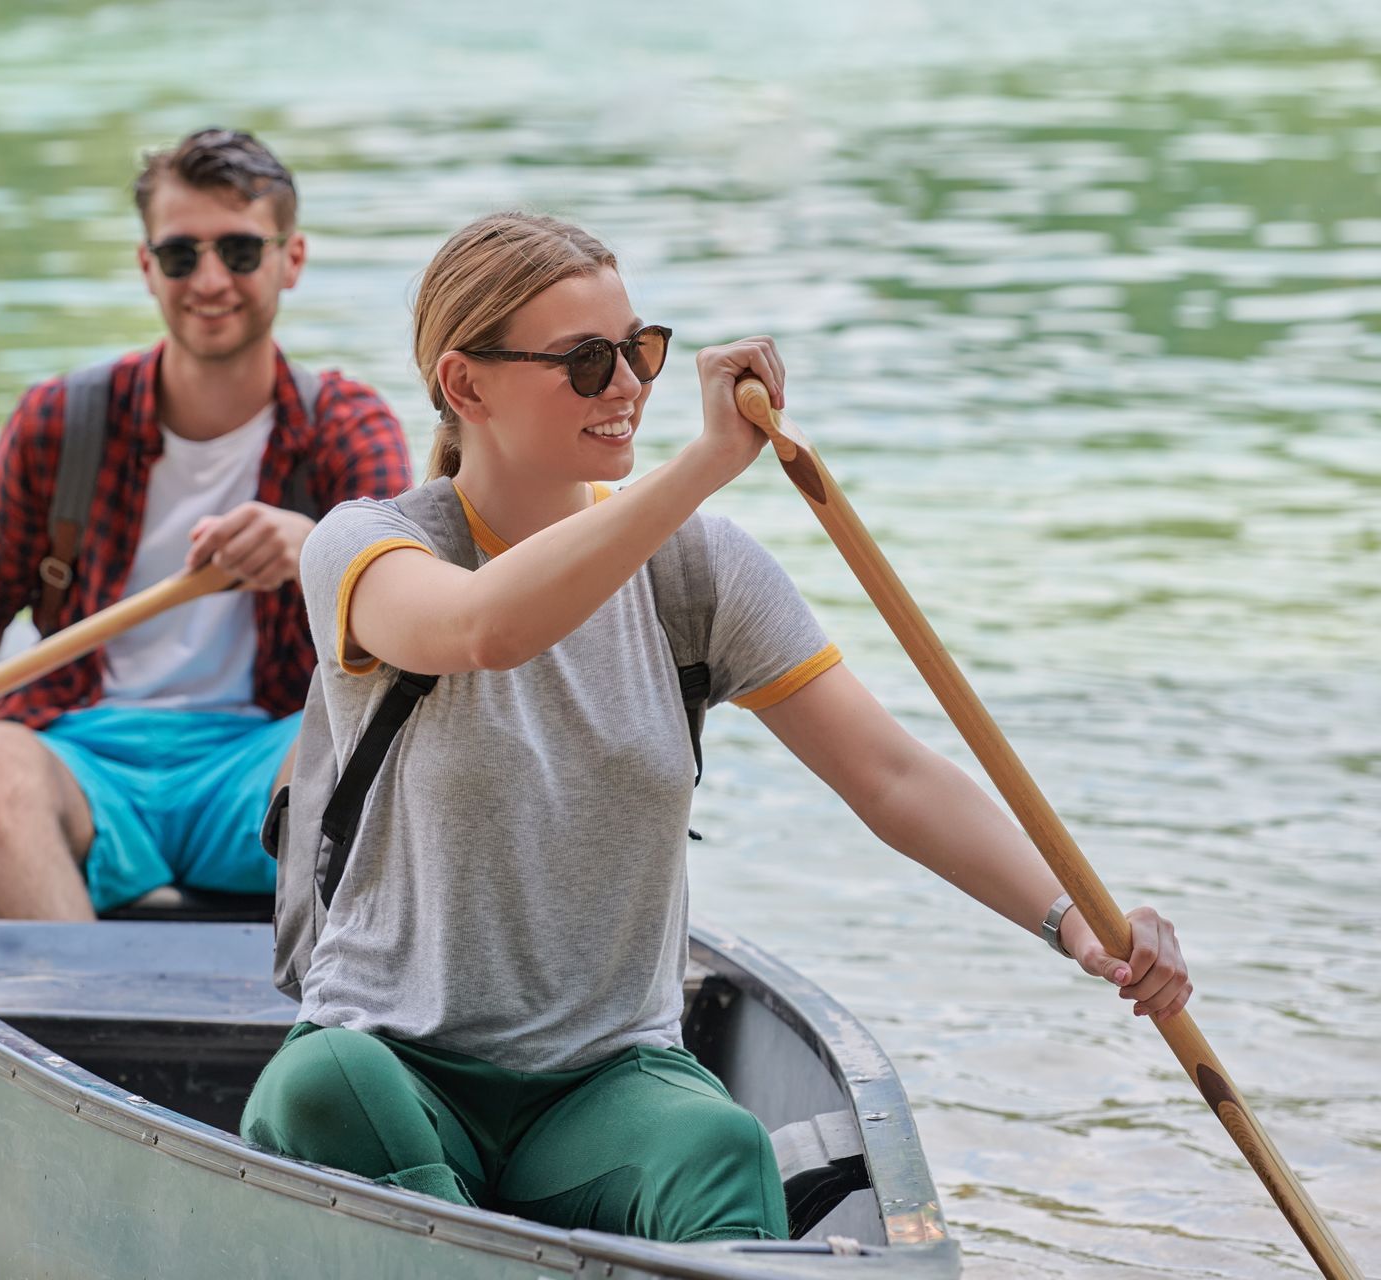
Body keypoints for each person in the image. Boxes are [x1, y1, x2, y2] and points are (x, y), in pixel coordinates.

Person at [240, 212, 1193, 1243]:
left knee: (723, 1146)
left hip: (600, 1080)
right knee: (325, 1082)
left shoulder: (699, 571)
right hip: (395, 1062)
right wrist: (702, 461)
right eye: (588, 361)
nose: (628, 387)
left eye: (639, 349)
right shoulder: (365, 547)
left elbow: (890, 776)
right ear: (464, 385)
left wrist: (1076, 918)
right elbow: (486, 627)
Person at [0, 128, 411, 920]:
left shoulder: (345, 425)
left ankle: (323, 1012)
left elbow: (408, 618)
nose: (211, 280)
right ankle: (63, 1019)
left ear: (291, 260)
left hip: (262, 755)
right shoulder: (61, 420)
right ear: (147, 265)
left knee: (367, 759)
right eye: (182, 255)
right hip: (84, 753)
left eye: (241, 251)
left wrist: (315, 549)